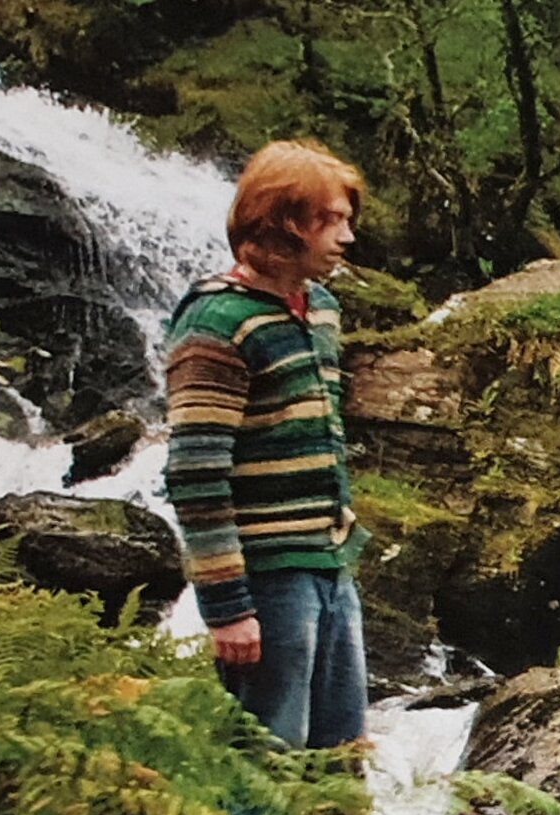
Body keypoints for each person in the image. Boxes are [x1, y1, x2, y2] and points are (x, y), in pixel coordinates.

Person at [164, 140, 370, 750]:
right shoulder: (218, 322)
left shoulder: (323, 310)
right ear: (280, 224)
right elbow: (196, 472)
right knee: (267, 764)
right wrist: (226, 606)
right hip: (267, 576)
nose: (347, 237)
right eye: (328, 220)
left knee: (340, 755)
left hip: (331, 563)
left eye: (347, 220)